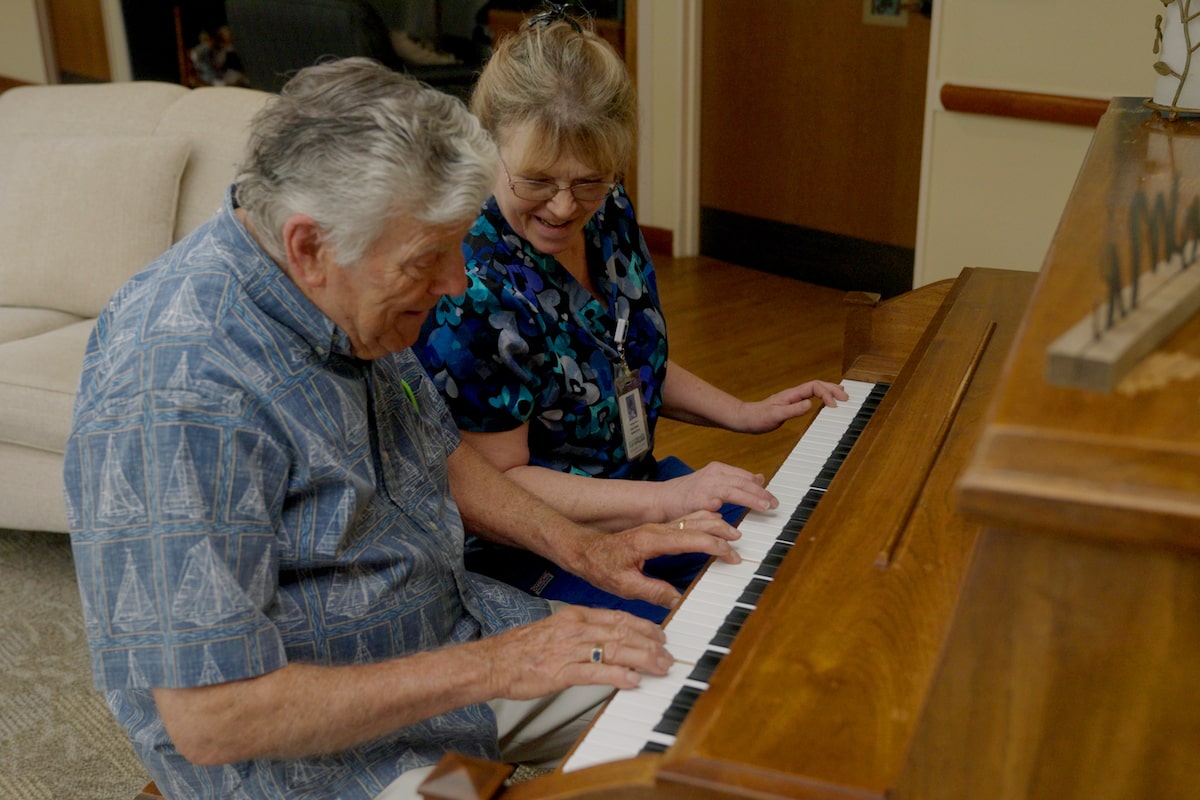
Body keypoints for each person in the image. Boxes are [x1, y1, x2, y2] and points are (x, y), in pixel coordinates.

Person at [63, 57, 742, 800]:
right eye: (428, 259)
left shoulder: (354, 298)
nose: (456, 282)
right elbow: (212, 720)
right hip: (313, 752)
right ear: (308, 247)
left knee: (706, 699)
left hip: (453, 631)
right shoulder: (182, 389)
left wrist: (588, 551)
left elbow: (440, 455)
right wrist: (493, 668)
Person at [413, 4, 847, 622]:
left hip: (639, 490)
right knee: (713, 623)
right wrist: (669, 499)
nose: (564, 207)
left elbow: (624, 358)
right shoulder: (471, 288)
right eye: (536, 181)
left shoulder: (608, 210)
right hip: (534, 546)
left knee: (790, 569)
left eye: (588, 181)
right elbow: (501, 486)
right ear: (488, 148)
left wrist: (744, 414)